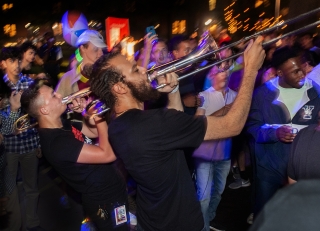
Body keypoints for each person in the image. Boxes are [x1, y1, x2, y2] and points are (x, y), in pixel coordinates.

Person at [88, 36, 265, 230]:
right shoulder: (152, 123)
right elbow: (233, 125)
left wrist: (173, 91)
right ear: (120, 88)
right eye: (134, 70)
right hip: (180, 223)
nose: (144, 69)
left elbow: (174, 132)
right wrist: (251, 71)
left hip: (155, 218)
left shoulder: (117, 124)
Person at [20, 80, 129, 231]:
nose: (59, 94)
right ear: (44, 110)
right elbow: (108, 154)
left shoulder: (61, 124)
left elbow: (94, 132)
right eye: (53, 95)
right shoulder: (56, 143)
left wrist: (86, 113)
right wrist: (98, 115)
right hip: (103, 201)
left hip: (112, 190)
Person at [246, 46, 320, 217]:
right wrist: (275, 133)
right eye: (295, 72)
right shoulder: (262, 94)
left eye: (302, 69)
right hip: (269, 165)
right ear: (280, 73)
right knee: (264, 213)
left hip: (301, 168)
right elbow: (252, 126)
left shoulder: (315, 91)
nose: (302, 74)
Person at [0, 47, 43, 231]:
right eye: (11, 61)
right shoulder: (1, 87)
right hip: (8, 149)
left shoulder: (28, 84)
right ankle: (14, 226)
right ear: (3, 64)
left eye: (18, 60)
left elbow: (38, 116)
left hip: (29, 145)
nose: (16, 65)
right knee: (11, 191)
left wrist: (40, 142)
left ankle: (32, 223)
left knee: (31, 187)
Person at [192, 64, 238, 231]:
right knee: (203, 196)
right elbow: (197, 125)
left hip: (224, 154)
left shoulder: (235, 96)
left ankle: (208, 218)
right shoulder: (204, 96)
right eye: (219, 71)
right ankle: (203, 227)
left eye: (226, 70)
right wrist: (223, 111)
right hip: (204, 154)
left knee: (218, 192)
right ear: (211, 75)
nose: (224, 73)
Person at [55, 30, 107, 97]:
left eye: (102, 49)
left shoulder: (107, 74)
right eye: (96, 49)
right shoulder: (66, 80)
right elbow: (56, 105)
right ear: (83, 48)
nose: (101, 53)